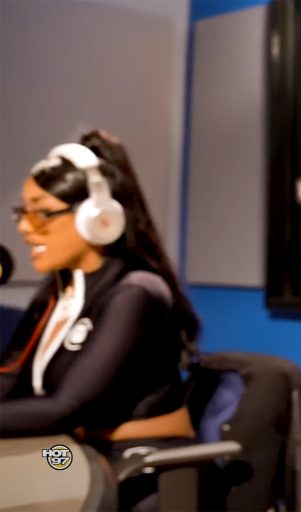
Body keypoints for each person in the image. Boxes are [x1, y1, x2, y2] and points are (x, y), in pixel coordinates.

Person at [0, 130, 203, 510]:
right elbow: (11, 378)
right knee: (12, 485)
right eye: (22, 213)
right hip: (71, 449)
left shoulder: (135, 292)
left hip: (139, 459)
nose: (25, 227)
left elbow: (66, 406)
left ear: (98, 218)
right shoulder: (57, 290)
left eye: (42, 213)